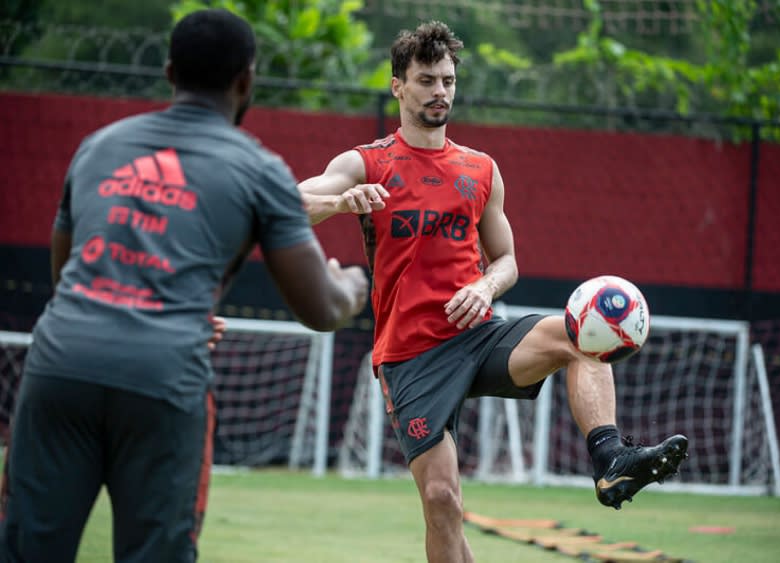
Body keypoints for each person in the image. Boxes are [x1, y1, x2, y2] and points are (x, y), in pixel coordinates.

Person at [298, 20, 688, 563]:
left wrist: (485, 285)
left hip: (478, 335)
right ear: (398, 87)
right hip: (410, 356)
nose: (440, 92)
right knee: (442, 501)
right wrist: (341, 203)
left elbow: (507, 261)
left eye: (449, 81)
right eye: (427, 80)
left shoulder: (480, 168)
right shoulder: (366, 162)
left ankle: (610, 460)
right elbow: (290, 203)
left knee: (582, 334)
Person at [0, 9, 368, 563]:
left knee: (27, 549)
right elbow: (321, 309)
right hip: (161, 378)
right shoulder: (259, 169)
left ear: (169, 71)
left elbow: (67, 279)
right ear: (247, 81)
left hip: (60, 365)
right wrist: (354, 282)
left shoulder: (98, 147)